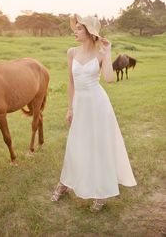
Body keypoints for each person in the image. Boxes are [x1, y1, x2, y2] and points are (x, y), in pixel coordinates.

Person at [51, 14, 137, 212]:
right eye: (76, 28)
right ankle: (64, 183)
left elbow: (108, 79)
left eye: (80, 29)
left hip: (98, 105)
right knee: (75, 144)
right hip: (80, 104)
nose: (75, 31)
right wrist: (70, 108)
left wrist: (107, 53)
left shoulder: (100, 54)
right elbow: (71, 83)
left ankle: (101, 193)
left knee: (98, 147)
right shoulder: (71, 52)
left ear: (90, 33)